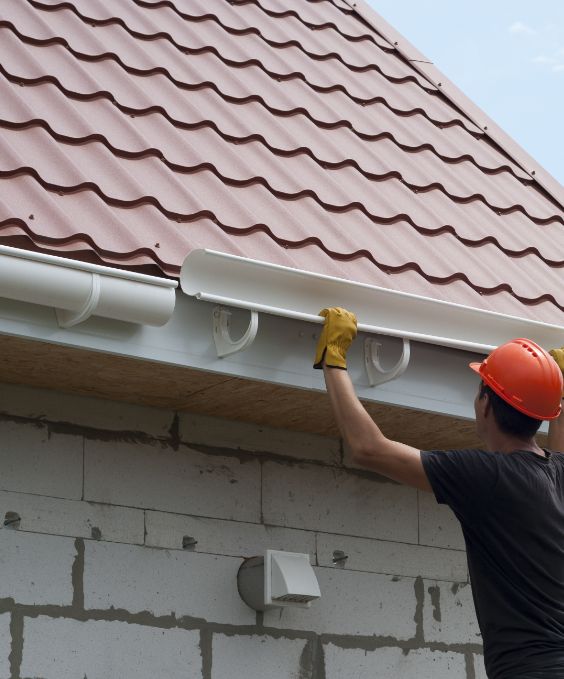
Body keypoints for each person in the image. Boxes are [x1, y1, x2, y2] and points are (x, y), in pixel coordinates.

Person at [314, 307, 564, 679]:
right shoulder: (556, 473)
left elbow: (369, 449)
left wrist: (333, 359)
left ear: (486, 405)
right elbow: (556, 446)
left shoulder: (488, 478)